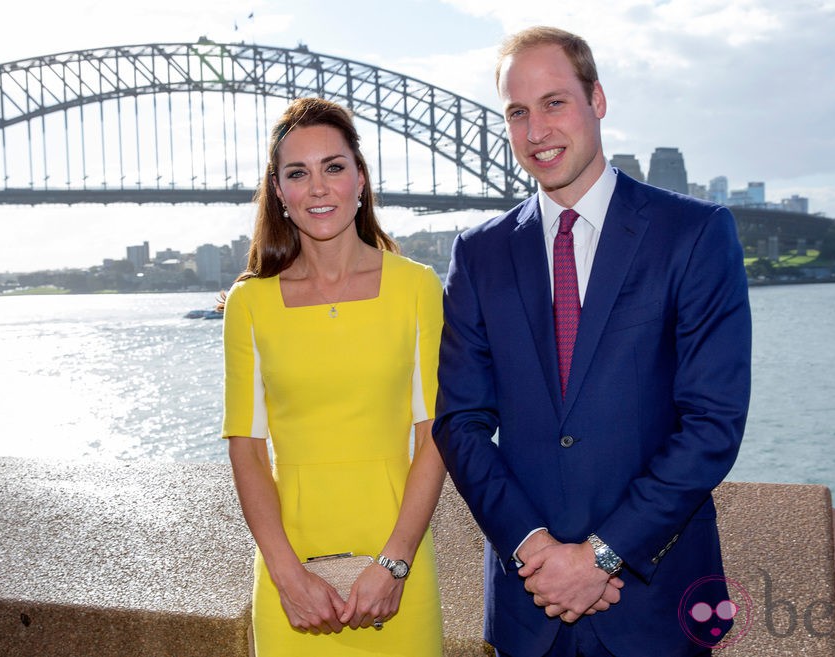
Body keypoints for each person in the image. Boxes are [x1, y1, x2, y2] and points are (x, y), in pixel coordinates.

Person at [433, 26, 751, 657]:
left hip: (657, 605)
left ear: (597, 100)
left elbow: (713, 423)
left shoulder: (694, 233)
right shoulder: (479, 254)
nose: (536, 131)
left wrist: (602, 557)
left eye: (555, 103)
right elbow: (461, 422)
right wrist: (536, 551)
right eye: (517, 113)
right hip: (532, 608)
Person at [221, 97, 445, 656]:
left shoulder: (416, 287)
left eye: (334, 167)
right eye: (298, 173)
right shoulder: (249, 304)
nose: (318, 188)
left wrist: (394, 562)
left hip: (400, 569)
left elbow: (436, 434)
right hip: (291, 579)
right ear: (279, 191)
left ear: (361, 178)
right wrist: (287, 576)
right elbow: (246, 448)